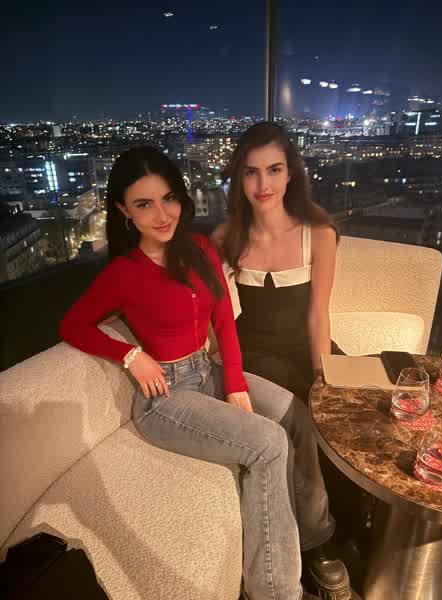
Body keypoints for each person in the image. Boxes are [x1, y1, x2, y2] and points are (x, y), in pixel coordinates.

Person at [59, 146, 324, 600]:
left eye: (168, 198)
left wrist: (235, 383)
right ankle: (276, 591)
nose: (162, 214)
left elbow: (223, 320)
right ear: (123, 210)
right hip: (165, 396)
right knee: (268, 443)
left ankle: (313, 540)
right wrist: (130, 355)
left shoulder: (198, 248)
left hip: (206, 369)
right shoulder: (123, 272)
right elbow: (72, 325)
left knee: (293, 413)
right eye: (144, 204)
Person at [212, 122, 353, 599]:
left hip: (303, 346)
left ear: (291, 173)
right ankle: (317, 544)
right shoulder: (226, 236)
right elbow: (217, 314)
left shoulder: (319, 233)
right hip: (252, 354)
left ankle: (355, 525)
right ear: (238, 178)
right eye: (250, 172)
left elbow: (318, 314)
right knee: (300, 421)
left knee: (347, 409)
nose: (263, 184)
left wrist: (322, 376)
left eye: (274, 170)